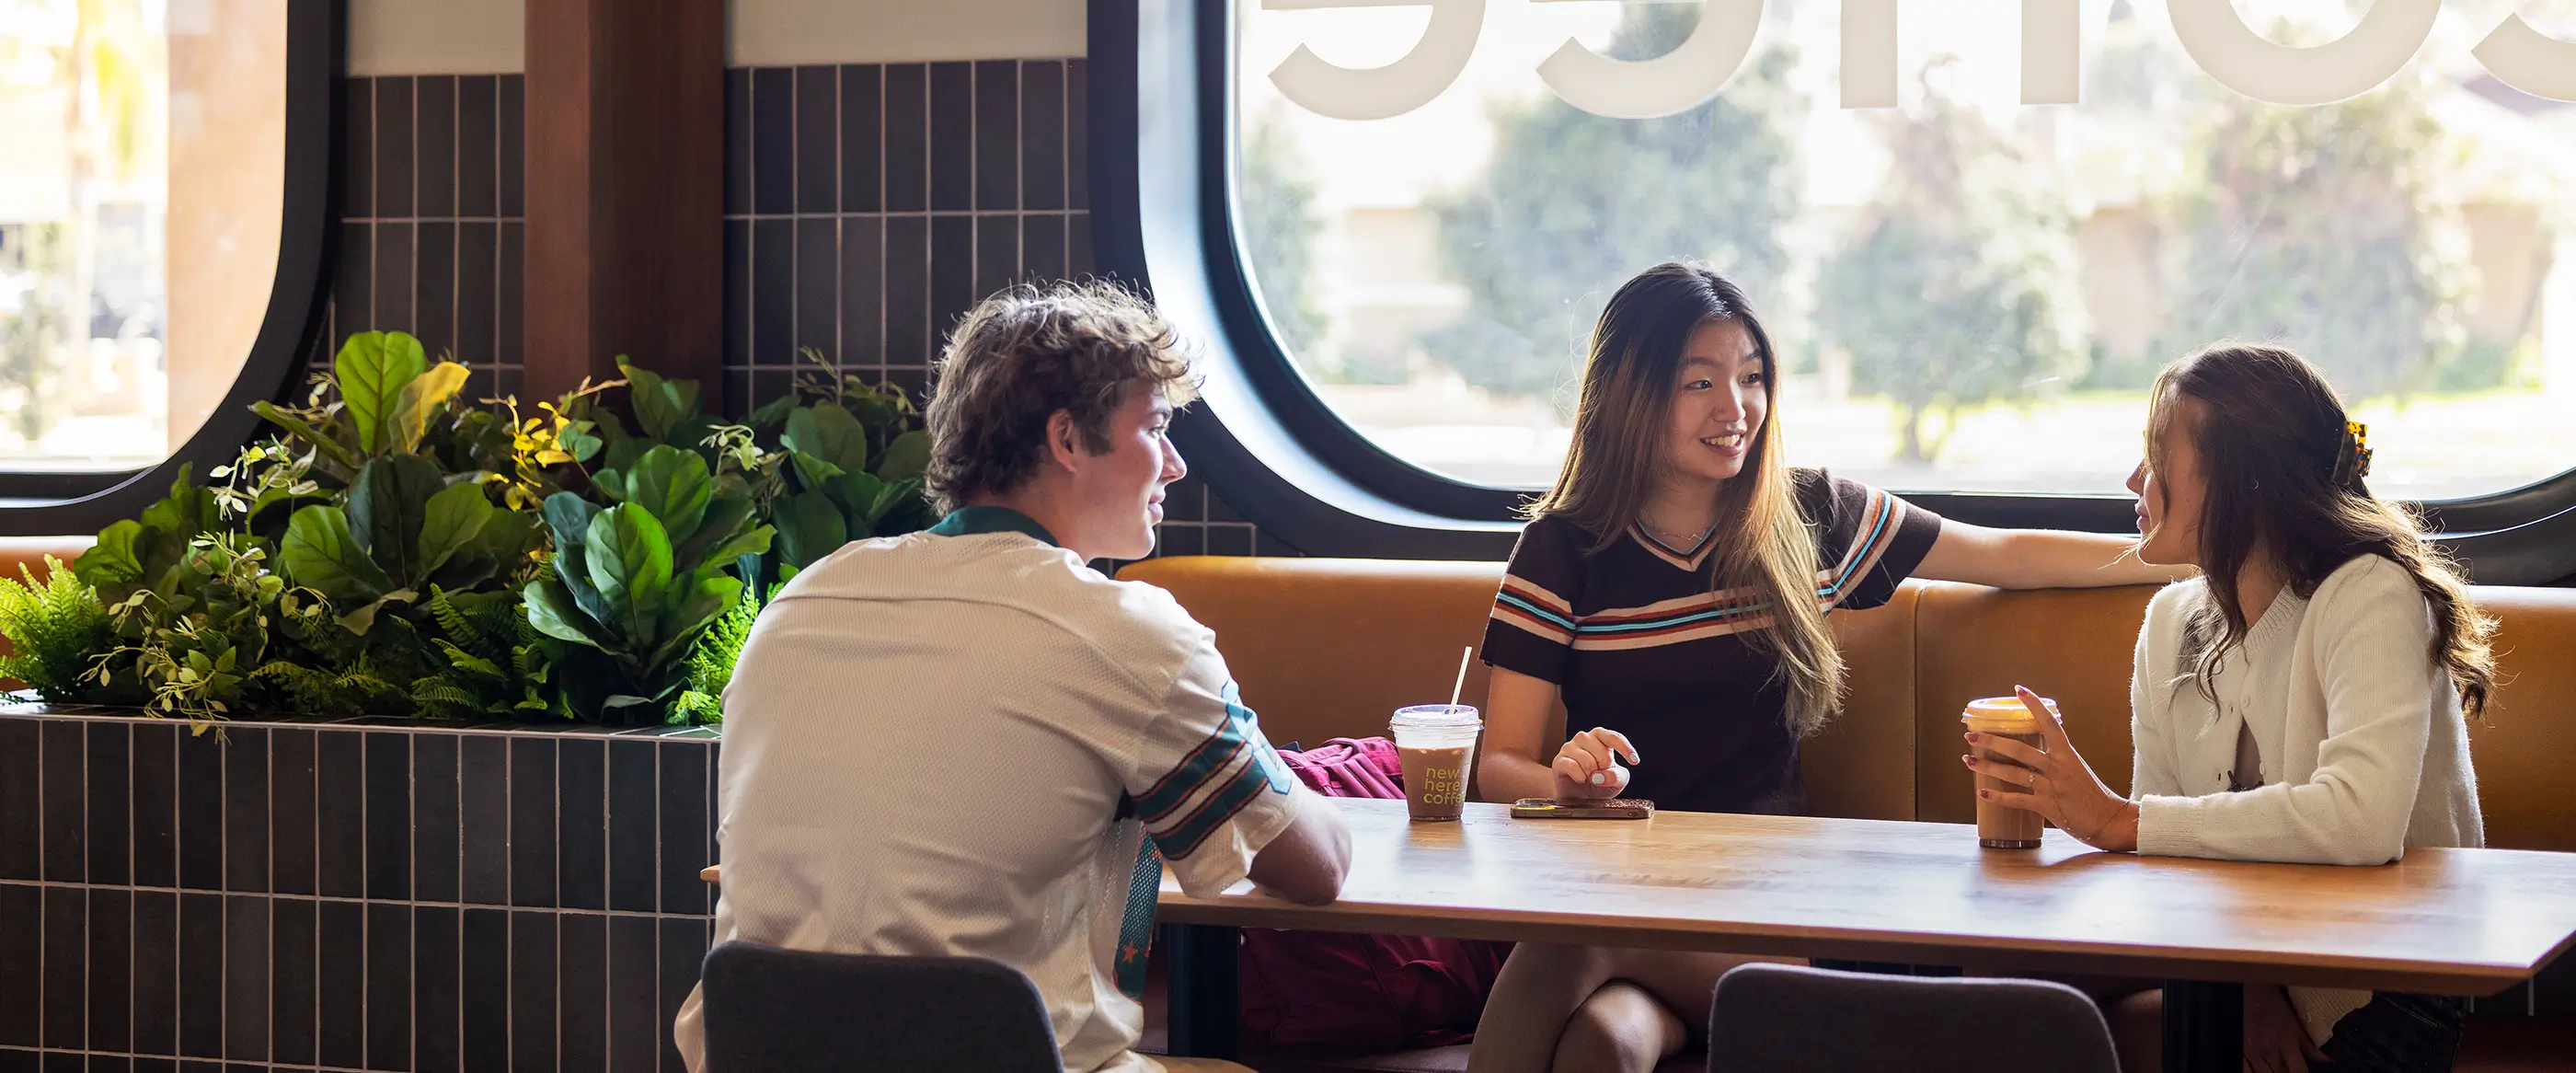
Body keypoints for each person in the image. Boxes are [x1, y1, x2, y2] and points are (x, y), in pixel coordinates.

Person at [1466, 262, 2194, 1073]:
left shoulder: (1808, 513)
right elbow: (1499, 762)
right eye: (1697, 382)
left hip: (1782, 900)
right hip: (1632, 888)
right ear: (1629, 394)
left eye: (1751, 378)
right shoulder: (1565, 549)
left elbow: (2004, 555)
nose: (1734, 409)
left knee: (1570, 946)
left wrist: (2189, 557)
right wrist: (1563, 787)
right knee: (1601, 1044)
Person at [672, 282, 1353, 1073]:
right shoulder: (1125, 632)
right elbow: (1316, 869)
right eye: (1157, 427)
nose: (1175, 463)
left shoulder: (802, 600)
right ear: (1067, 438)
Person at [1961, 342, 2491, 1073]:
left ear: (2243, 484)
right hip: (2232, 955)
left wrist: (2115, 819)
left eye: (2156, 456)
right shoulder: (2172, 621)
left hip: (2379, 975)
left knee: (2074, 1028)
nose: (2133, 479)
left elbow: (2360, 820)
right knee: (2007, 986)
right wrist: (2244, 985)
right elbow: (2168, 852)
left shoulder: (2369, 595)